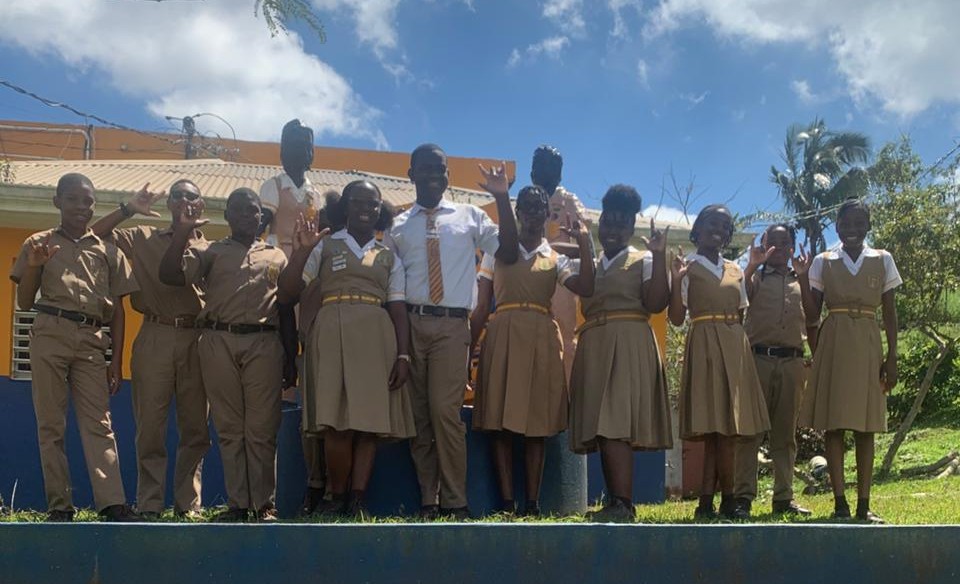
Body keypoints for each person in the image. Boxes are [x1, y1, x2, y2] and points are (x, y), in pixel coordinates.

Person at [383, 144, 518, 519]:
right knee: (420, 417)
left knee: (445, 412)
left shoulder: (470, 216)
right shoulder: (397, 225)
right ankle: (429, 498)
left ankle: (456, 501)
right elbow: (393, 287)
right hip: (411, 323)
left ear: (447, 176)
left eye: (439, 169)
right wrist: (402, 349)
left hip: (452, 325)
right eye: (424, 168)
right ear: (410, 174)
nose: (432, 175)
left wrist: (502, 199)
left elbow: (508, 251)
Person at [278, 180, 414, 518]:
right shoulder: (325, 246)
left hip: (374, 337)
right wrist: (302, 251)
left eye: (373, 203)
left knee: (366, 424)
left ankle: (356, 498)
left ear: (380, 209)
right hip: (332, 332)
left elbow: (397, 307)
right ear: (346, 207)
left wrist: (403, 354)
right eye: (358, 202)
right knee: (336, 423)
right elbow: (288, 292)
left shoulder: (387, 255)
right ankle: (335, 494)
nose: (365, 209)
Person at [10, 173, 141, 522]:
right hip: (50, 333)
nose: (82, 207)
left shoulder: (106, 249)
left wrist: (116, 361)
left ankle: (112, 503)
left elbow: (118, 309)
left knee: (99, 421)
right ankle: (59, 505)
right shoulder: (37, 242)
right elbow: (24, 302)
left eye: (88, 201)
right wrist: (35, 268)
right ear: (57, 202)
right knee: (51, 423)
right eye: (73, 199)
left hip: (91, 340)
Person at [159, 188, 289, 522]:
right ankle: (238, 504)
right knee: (230, 428)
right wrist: (184, 231)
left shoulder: (276, 256)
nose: (249, 216)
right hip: (218, 340)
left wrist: (291, 355)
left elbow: (287, 308)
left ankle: (264, 505)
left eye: (255, 211)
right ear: (227, 216)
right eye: (240, 211)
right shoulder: (211, 251)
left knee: (261, 429)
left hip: (264, 343)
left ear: (262, 216)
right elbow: (171, 275)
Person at [471, 185, 594, 516]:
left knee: (536, 426)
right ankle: (507, 502)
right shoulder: (496, 254)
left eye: (541, 208)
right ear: (518, 212)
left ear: (547, 215)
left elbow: (586, 287)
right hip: (503, 334)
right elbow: (482, 306)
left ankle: (532, 503)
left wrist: (584, 241)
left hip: (541, 336)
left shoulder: (556, 258)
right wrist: (470, 344)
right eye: (527, 207)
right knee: (499, 423)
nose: (535, 213)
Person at [91, 179, 210, 520]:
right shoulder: (142, 237)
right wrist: (128, 209)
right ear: (169, 203)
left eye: (192, 196)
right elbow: (93, 236)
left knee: (196, 428)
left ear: (201, 205)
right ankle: (150, 504)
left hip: (195, 337)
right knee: (151, 426)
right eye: (178, 195)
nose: (185, 201)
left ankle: (188, 505)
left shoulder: (210, 250)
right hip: (154, 333)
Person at [569, 185, 672, 523]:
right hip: (595, 344)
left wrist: (659, 256)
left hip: (628, 342)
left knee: (615, 423)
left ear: (631, 227)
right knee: (602, 428)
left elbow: (656, 303)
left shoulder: (642, 260)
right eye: (608, 222)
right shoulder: (589, 261)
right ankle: (617, 500)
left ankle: (623, 504)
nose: (613, 230)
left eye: (621, 224)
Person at [796, 198, 900, 524]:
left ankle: (863, 505)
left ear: (868, 225)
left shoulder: (882, 259)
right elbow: (812, 315)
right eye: (846, 224)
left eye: (859, 223)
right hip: (834, 341)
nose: (852, 229)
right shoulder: (822, 261)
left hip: (869, 341)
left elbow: (890, 312)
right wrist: (801, 277)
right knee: (835, 424)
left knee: (866, 426)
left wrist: (892, 356)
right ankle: (840, 503)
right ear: (836, 226)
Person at [669, 203, 769, 521]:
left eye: (726, 225)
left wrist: (751, 268)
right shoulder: (688, 266)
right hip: (704, 343)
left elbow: (741, 310)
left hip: (733, 344)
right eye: (713, 222)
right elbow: (674, 317)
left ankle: (709, 502)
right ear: (698, 228)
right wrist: (675, 281)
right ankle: (724, 500)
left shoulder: (735, 269)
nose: (720, 229)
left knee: (728, 428)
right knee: (714, 428)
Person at [733, 224, 816, 518]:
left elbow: (813, 314)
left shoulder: (801, 278)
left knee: (786, 434)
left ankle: (784, 498)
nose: (779, 248)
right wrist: (751, 265)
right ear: (763, 245)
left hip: (793, 362)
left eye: (785, 242)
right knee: (750, 432)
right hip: (757, 361)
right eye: (772, 242)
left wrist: (804, 278)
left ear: (793, 246)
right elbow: (737, 302)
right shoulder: (756, 277)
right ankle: (742, 497)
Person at [530, 145, 589, 380]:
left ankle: (562, 407)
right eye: (539, 167)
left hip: (561, 284)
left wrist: (550, 249)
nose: (544, 173)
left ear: (560, 174)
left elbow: (584, 249)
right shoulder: (526, 202)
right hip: (529, 283)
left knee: (563, 345)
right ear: (532, 172)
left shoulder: (569, 203)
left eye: (551, 168)